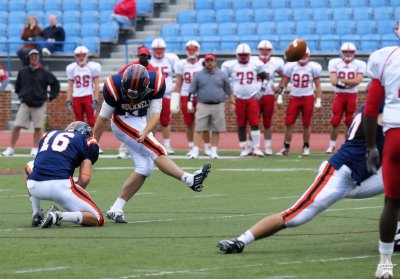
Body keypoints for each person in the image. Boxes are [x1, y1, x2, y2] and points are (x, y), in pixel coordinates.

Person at [218, 104, 387, 255]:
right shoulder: (381, 108)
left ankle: (395, 234)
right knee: (295, 217)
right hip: (339, 173)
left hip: (366, 175)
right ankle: (240, 240)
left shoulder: (382, 105)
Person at [93, 64, 211, 223]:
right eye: (129, 93)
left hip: (141, 121)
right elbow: (102, 120)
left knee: (145, 168)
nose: (133, 98)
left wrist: (146, 130)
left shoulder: (156, 82)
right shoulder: (113, 86)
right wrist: (93, 147)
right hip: (122, 120)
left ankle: (116, 208)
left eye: (137, 94)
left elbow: (156, 114)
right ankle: (189, 179)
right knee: (157, 149)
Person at [363, 20, 400, 279]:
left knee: (391, 202)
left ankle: (385, 266)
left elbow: (370, 109)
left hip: (395, 135)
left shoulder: (385, 58)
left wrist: (370, 146)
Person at [25, 121, 104, 228]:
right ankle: (59, 216)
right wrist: (72, 197)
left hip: (35, 187)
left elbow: (40, 162)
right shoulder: (88, 141)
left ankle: (36, 213)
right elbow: (84, 178)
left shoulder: (48, 134)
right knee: (98, 218)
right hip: (61, 187)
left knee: (29, 166)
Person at [1, 49, 60, 157]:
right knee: (16, 126)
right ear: (29, 58)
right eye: (32, 56)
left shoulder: (45, 73)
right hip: (26, 103)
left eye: (36, 56)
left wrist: (49, 96)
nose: (34, 58)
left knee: (38, 127)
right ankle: (10, 148)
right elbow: (17, 86)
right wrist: (21, 95)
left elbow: (55, 85)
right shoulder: (23, 72)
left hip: (39, 104)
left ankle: (35, 148)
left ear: (38, 58)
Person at [221, 43, 268, 157]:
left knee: (255, 123)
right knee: (241, 124)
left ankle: (256, 147)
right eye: (241, 55)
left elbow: (265, 77)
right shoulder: (230, 65)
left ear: (249, 54)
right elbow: (223, 80)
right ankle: (244, 148)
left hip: (252, 97)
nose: (243, 57)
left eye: (245, 55)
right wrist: (229, 95)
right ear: (237, 55)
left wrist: (261, 91)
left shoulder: (256, 64)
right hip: (238, 98)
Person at [276, 47, 322, 156]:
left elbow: (318, 85)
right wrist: (280, 96)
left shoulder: (313, 67)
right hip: (294, 97)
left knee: (306, 124)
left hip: (308, 97)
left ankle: (306, 146)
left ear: (308, 55)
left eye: (304, 55)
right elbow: (284, 82)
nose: (302, 57)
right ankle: (286, 147)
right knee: (288, 123)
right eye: (300, 55)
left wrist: (318, 99)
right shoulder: (291, 67)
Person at [188, 53, 234, 159]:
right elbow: (192, 90)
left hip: (218, 104)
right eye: (207, 61)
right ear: (205, 62)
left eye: (211, 61)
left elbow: (229, 91)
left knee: (216, 129)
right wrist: (189, 103)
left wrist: (232, 103)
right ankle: (195, 150)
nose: (209, 63)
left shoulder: (222, 75)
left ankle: (214, 151)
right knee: (199, 128)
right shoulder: (198, 75)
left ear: (215, 62)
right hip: (203, 104)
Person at [116, 45, 158, 159]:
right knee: (129, 124)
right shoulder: (131, 67)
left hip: (146, 101)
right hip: (131, 100)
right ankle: (123, 149)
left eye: (144, 55)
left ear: (148, 56)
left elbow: (156, 84)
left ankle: (147, 148)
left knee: (149, 124)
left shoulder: (152, 69)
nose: (143, 57)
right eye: (141, 55)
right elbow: (118, 77)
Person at [172, 40, 212, 157]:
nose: (191, 51)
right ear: (186, 51)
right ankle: (191, 146)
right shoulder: (181, 64)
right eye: (189, 49)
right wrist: (175, 98)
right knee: (189, 123)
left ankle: (207, 147)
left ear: (197, 51)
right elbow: (179, 82)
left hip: (201, 95)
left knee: (203, 123)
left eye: (193, 49)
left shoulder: (203, 64)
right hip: (185, 94)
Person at [326, 43, 366, 154]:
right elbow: (334, 81)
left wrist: (341, 81)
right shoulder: (335, 63)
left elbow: (358, 81)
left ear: (354, 53)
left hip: (352, 96)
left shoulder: (359, 64)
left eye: (350, 52)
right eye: (345, 52)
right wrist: (350, 83)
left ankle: (346, 144)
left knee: (349, 121)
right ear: (341, 52)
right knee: (335, 121)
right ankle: (332, 145)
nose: (348, 54)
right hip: (339, 95)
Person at [150, 38, 179, 155]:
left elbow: (179, 75)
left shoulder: (171, 59)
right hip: (151, 96)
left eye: (160, 49)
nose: (158, 51)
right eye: (156, 49)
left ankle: (167, 145)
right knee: (151, 121)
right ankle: (151, 143)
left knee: (165, 121)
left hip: (166, 95)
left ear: (164, 49)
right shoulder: (149, 60)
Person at [255, 40, 284, 155]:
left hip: (268, 94)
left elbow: (284, 76)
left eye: (267, 50)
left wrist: (279, 87)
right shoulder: (254, 61)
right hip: (256, 95)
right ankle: (254, 146)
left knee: (267, 122)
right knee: (254, 122)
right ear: (259, 50)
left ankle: (267, 146)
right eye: (263, 49)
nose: (265, 52)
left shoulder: (276, 62)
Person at [66, 46, 101, 129]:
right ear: (75, 56)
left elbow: (96, 84)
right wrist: (68, 99)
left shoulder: (92, 67)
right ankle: (81, 141)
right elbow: (70, 85)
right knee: (78, 122)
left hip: (88, 96)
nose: (81, 57)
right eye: (79, 55)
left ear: (87, 55)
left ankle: (93, 139)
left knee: (92, 121)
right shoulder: (71, 68)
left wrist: (96, 98)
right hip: (76, 97)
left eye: (83, 55)